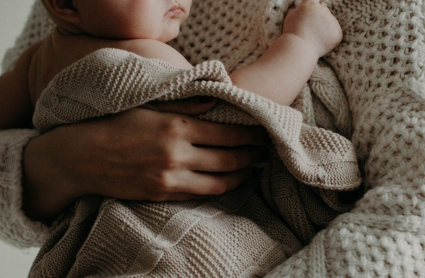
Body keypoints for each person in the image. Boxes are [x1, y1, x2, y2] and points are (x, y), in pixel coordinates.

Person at [1, 0, 341, 224]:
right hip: (165, 230)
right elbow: (237, 108)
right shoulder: (141, 57)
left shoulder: (35, 61)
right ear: (65, 4)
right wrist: (301, 43)